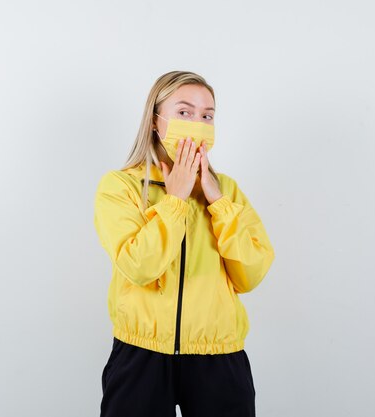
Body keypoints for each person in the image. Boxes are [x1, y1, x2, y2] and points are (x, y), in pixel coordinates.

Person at [93, 70, 275, 417]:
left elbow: (250, 275)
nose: (198, 124)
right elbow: (139, 267)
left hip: (219, 358)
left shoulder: (227, 190)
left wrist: (218, 203)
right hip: (140, 356)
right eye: (184, 112)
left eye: (207, 116)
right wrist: (174, 199)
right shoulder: (121, 187)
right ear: (155, 120)